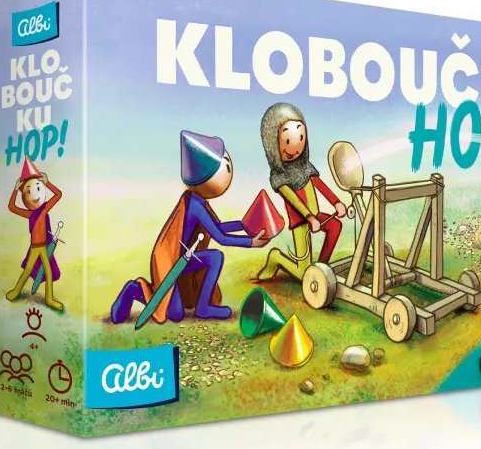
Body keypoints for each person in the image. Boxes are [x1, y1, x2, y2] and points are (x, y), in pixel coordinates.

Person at [111, 130, 266, 325]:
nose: (229, 172)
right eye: (225, 167)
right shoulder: (194, 204)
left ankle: (203, 307)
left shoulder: (199, 202)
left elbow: (216, 227)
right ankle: (134, 289)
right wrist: (251, 242)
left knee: (214, 258)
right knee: (175, 312)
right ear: (205, 176)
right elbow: (220, 237)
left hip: (185, 260)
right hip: (174, 264)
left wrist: (244, 225)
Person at [255, 102, 346, 281]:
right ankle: (276, 257)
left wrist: (336, 202)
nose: (296, 147)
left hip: (315, 215)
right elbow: (293, 200)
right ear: (273, 143)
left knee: (335, 226)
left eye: (301, 136)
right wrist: (309, 218)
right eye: (288, 141)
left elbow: (319, 184)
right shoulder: (279, 176)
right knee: (303, 274)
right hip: (301, 221)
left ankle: (321, 268)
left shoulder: (305, 166)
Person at [6, 157, 63, 311]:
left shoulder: (45, 209)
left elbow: (58, 194)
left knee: (48, 272)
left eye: (38, 188)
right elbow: (11, 207)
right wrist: (15, 189)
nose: (35, 195)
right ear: (24, 197)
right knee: (27, 270)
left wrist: (47, 182)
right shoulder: (30, 214)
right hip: (34, 248)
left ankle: (49, 299)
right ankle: (15, 292)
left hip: (43, 247)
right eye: (28, 191)